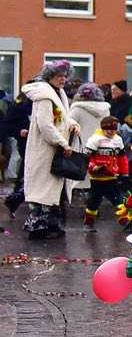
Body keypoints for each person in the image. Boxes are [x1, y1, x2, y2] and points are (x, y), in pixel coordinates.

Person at [21, 61, 80, 239]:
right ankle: (38, 228)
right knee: (43, 191)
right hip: (45, 151)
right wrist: (63, 143)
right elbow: (45, 125)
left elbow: (62, 118)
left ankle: (51, 225)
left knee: (52, 190)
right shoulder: (45, 96)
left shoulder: (58, 93)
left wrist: (72, 124)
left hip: (54, 151)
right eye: (59, 76)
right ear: (49, 76)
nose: (63, 79)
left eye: (65, 76)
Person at [82, 115, 129, 228]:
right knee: (94, 201)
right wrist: (93, 167)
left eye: (114, 129)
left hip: (111, 176)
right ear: (103, 128)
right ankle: (89, 221)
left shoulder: (118, 140)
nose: (111, 132)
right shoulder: (95, 140)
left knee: (117, 199)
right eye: (108, 129)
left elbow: (122, 158)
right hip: (97, 177)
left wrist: (124, 173)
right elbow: (87, 157)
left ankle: (124, 220)